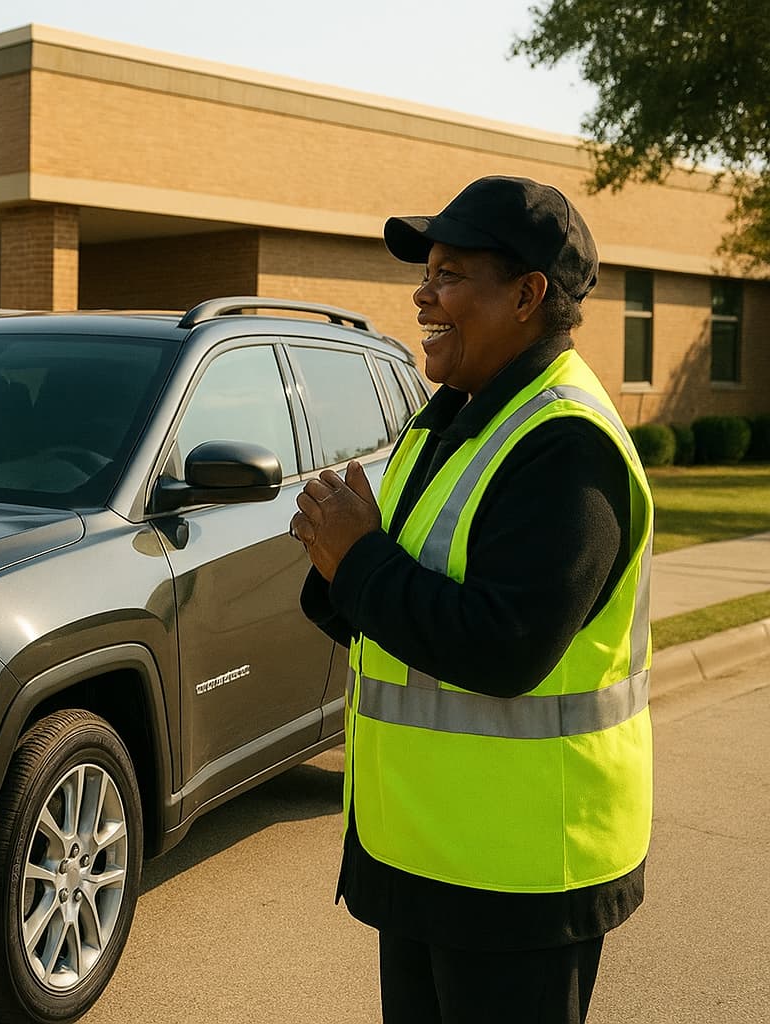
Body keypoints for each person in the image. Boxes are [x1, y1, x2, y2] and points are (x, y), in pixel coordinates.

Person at [289, 176, 653, 1024]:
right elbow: (396, 590)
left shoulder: (565, 443)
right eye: (426, 274)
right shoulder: (450, 415)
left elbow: (504, 647)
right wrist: (338, 565)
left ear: (528, 296)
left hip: (522, 875)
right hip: (425, 854)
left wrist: (357, 562)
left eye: (449, 274)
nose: (422, 295)